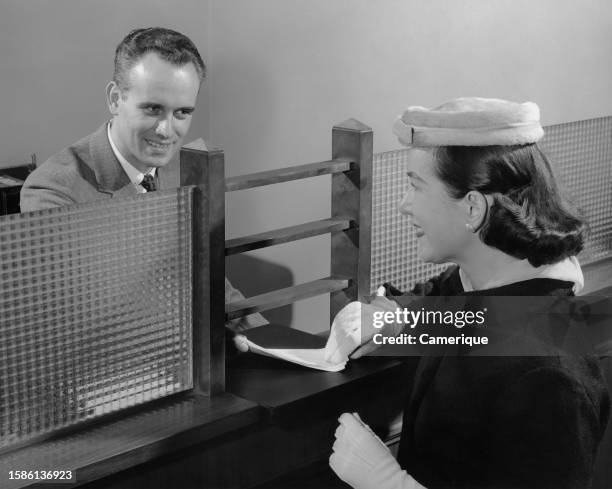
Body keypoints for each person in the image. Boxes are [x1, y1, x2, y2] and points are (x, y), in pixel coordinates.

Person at [327, 97, 611, 489]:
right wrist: (395, 320)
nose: (404, 205)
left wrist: (389, 484)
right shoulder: (476, 283)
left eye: (416, 187)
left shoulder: (548, 376)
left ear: (473, 209)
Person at [20, 27, 265, 332]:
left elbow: (212, 283)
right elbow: (84, 319)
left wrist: (284, 344)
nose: (166, 130)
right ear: (114, 99)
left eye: (182, 113)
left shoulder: (185, 172)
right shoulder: (53, 190)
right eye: (153, 108)